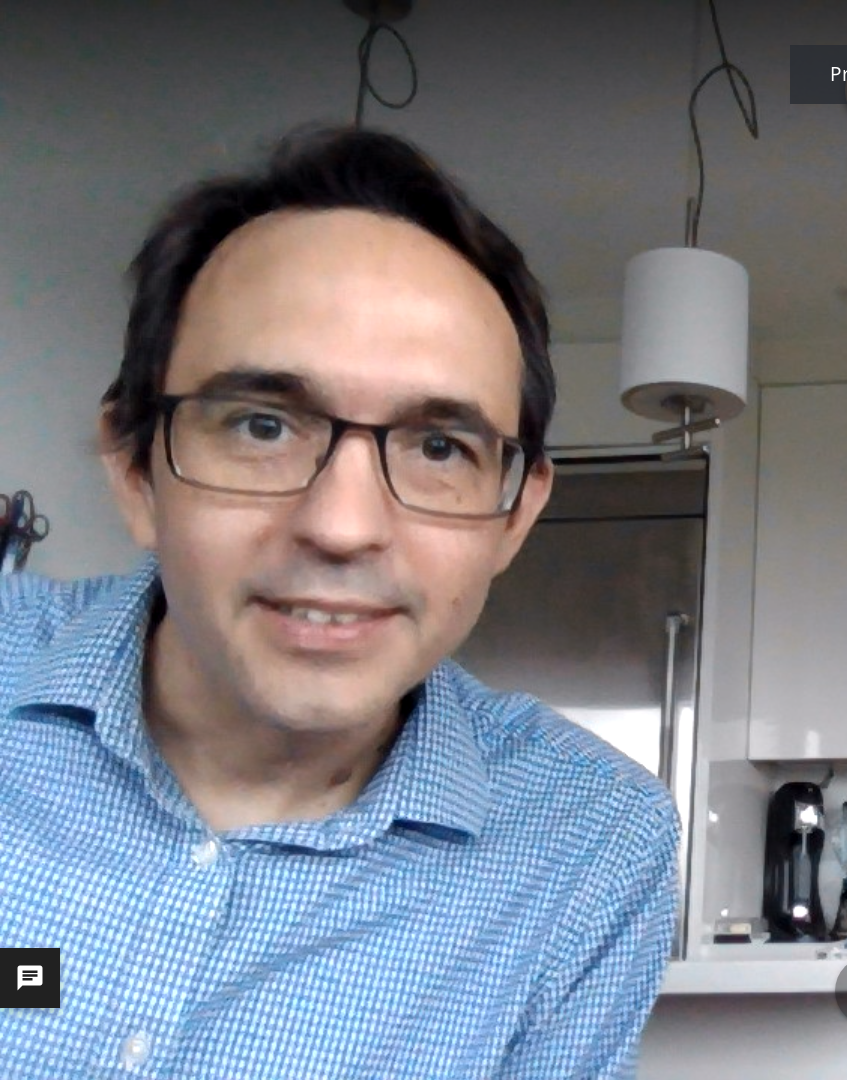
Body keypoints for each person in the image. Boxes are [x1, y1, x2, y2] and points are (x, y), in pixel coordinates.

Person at [0, 126, 679, 1077]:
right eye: (263, 425)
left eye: (439, 447)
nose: (342, 526)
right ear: (134, 468)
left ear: (516, 518)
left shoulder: (589, 841)